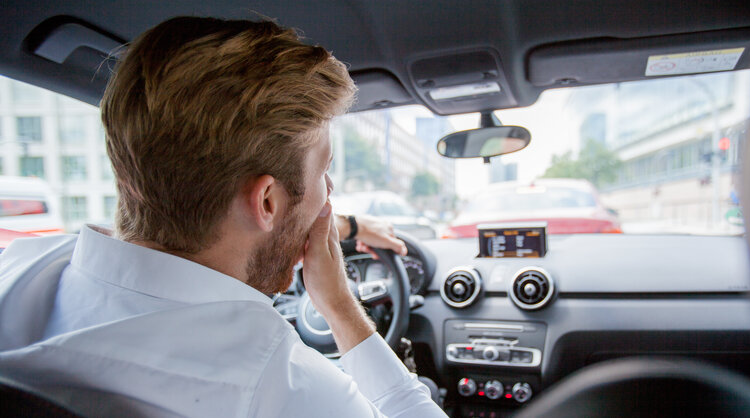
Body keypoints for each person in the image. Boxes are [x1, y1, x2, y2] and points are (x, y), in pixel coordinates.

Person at [0, 16, 445, 417]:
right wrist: (342, 310)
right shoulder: (280, 385)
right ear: (267, 202)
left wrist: (344, 226)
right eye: (324, 171)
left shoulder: (20, 268)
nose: (329, 191)